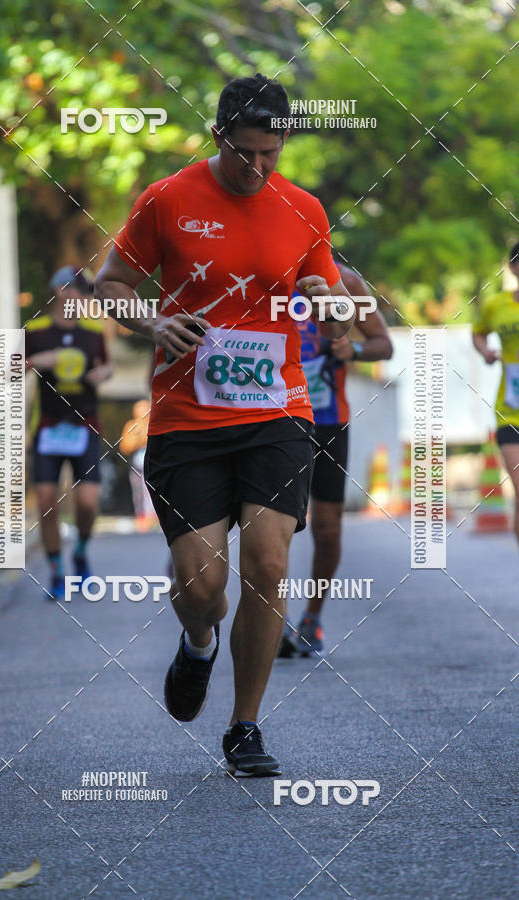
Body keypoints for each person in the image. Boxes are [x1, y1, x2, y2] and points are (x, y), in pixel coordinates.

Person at [95, 73, 355, 776]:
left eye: (272, 153)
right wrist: (153, 320)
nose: (259, 168)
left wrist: (323, 298)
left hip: (279, 411)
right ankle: (198, 643)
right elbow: (110, 283)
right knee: (201, 585)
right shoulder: (167, 199)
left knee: (268, 564)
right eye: (245, 153)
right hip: (187, 417)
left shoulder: (304, 208)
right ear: (218, 138)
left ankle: (245, 726)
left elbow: (329, 298)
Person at [278, 264, 393, 658]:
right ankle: (273, 619)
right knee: (270, 528)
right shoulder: (262, 269)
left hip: (327, 420)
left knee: (327, 530)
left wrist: (354, 349)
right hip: (272, 421)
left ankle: (311, 617)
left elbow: (384, 344)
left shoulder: (347, 281)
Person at [25, 266, 112, 600]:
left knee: (88, 503)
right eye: (76, 289)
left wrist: (102, 374)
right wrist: (38, 360)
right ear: (59, 290)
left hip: (86, 425)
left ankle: (81, 550)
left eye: (85, 291)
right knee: (47, 502)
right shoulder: (36, 330)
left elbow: (107, 366)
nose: (81, 296)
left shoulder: (93, 331)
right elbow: (9, 369)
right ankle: (57, 570)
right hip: (48, 426)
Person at [473, 241, 519, 544]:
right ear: (514, 267)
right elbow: (478, 332)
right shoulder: (496, 305)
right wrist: (486, 352)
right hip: (511, 409)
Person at [119, 399, 157, 531]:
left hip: (152, 465)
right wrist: (139, 439)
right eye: (139, 409)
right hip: (137, 465)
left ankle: (153, 517)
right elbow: (125, 446)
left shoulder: (155, 423)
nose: (142, 412)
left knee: (151, 491)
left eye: (145, 408)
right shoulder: (131, 426)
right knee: (138, 492)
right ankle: (141, 517)